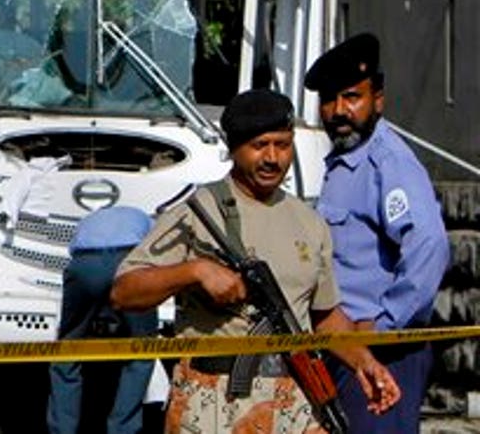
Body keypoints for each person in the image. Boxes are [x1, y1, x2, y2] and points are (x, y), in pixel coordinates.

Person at [110, 89, 400, 431]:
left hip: (295, 394)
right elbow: (124, 292)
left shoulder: (309, 222)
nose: (273, 158)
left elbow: (324, 316)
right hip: (213, 399)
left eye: (283, 144)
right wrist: (194, 271)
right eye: (260, 145)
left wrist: (364, 361)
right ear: (234, 149)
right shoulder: (199, 213)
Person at [304, 32, 450, 432]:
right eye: (330, 100)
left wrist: (383, 326)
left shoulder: (389, 163)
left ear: (378, 99)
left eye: (352, 97)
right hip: (343, 347)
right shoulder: (345, 161)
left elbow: (430, 246)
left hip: (383, 351)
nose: (339, 111)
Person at [47, 204, 157, 434]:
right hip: (129, 262)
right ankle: (123, 428)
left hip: (83, 263)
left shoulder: (90, 218)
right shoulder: (148, 220)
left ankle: (62, 427)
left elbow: (76, 256)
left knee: (66, 350)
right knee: (143, 348)